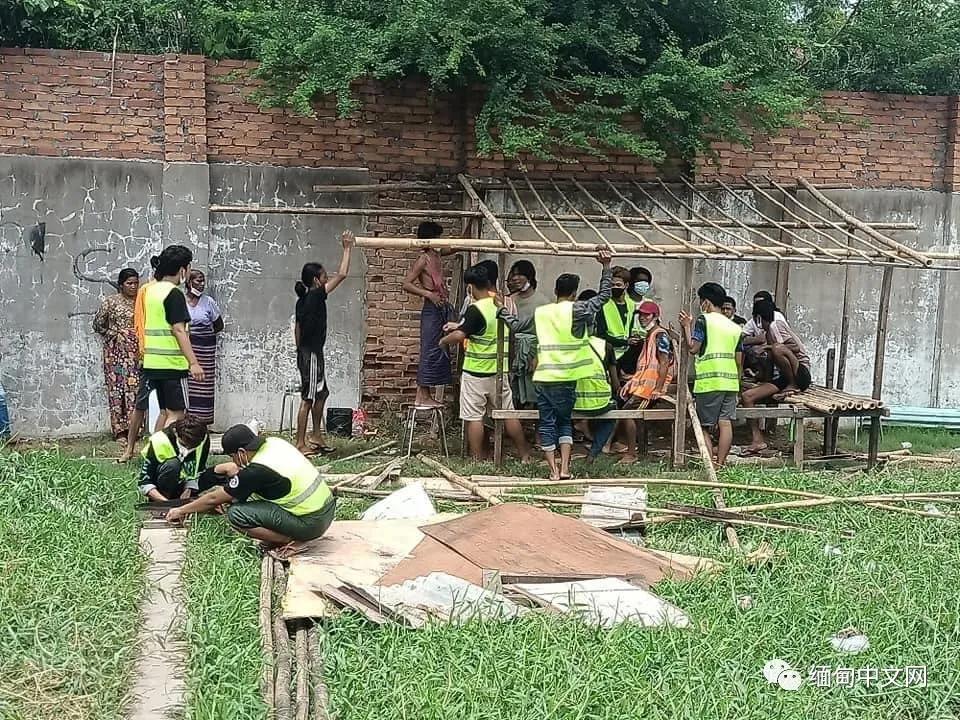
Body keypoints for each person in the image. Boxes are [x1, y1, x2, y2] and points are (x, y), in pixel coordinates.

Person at [499, 248, 613, 480]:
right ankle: (565, 469)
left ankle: (552, 471)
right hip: (567, 379)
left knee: (547, 423)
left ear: (555, 291)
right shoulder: (578, 309)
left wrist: (501, 310)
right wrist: (606, 267)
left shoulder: (542, 313)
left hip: (543, 378)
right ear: (574, 293)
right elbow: (603, 297)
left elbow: (517, 326)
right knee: (564, 423)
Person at [166, 424, 337, 553]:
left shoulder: (256, 471)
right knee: (238, 499)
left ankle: (288, 540)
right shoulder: (274, 443)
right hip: (327, 510)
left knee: (236, 514)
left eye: (233, 457)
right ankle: (289, 535)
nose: (234, 461)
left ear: (241, 452)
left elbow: (213, 499)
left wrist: (181, 510)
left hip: (311, 524)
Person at [439, 264, 530, 461]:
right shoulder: (501, 305)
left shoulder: (476, 309)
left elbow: (460, 334)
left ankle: (476, 458)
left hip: (476, 371)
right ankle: (524, 455)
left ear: (471, 287)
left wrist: (444, 341)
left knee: (474, 417)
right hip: (499, 370)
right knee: (508, 414)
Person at [294, 230, 355, 456]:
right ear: (316, 280)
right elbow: (343, 274)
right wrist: (347, 248)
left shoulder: (305, 299)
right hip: (310, 354)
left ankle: (316, 436)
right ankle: (300, 443)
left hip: (311, 352)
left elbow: (297, 328)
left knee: (322, 393)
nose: (327, 277)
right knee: (308, 398)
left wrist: (299, 350)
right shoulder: (315, 296)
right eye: (323, 275)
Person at [134, 245, 204, 437]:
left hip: (152, 363)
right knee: (177, 414)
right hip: (172, 365)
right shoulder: (173, 294)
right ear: (183, 269)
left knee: (165, 412)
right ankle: (164, 454)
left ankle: (154, 451)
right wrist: (194, 363)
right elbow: (179, 329)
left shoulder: (150, 291)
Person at [679, 282, 743, 467]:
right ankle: (721, 463)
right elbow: (739, 361)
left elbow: (693, 347)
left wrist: (686, 326)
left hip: (709, 382)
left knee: (703, 426)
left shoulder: (703, 320)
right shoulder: (734, 327)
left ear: (706, 302)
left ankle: (709, 464)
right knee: (725, 423)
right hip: (730, 383)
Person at [402, 221, 453, 408]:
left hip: (441, 307)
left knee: (439, 349)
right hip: (431, 309)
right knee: (429, 349)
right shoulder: (423, 259)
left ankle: (425, 394)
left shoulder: (437, 254)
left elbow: (457, 246)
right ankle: (422, 395)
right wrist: (428, 294)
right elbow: (406, 283)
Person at [93, 268, 141, 446]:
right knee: (116, 390)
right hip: (115, 352)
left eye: (136, 283)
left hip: (135, 352)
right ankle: (120, 430)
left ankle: (135, 429)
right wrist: (116, 333)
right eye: (129, 283)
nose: (133, 287)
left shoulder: (140, 302)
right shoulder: (111, 302)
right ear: (121, 285)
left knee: (134, 390)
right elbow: (98, 324)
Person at [138, 415, 211, 502]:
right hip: (160, 488)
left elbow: (199, 469)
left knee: (219, 472)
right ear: (176, 433)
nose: (187, 449)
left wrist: (189, 489)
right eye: (184, 444)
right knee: (173, 465)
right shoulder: (159, 441)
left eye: (193, 446)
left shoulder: (202, 438)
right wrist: (166, 503)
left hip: (183, 485)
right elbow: (144, 482)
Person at [185, 270, 224, 425]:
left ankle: (202, 424)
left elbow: (219, 324)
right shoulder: (181, 301)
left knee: (204, 387)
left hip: (205, 351)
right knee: (188, 386)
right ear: (189, 282)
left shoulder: (208, 302)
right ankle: (187, 423)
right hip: (187, 348)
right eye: (197, 281)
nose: (201, 284)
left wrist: (204, 336)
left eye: (203, 281)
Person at [620, 301, 675, 408]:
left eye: (646, 315)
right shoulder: (649, 336)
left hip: (650, 391)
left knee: (627, 414)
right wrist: (631, 382)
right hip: (644, 389)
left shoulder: (660, 335)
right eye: (640, 314)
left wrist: (658, 389)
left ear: (655, 317)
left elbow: (664, 363)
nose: (642, 317)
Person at [574, 334, 618, 462]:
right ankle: (594, 452)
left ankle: (560, 453)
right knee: (612, 416)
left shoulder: (569, 345)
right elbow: (615, 383)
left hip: (574, 403)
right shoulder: (606, 346)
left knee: (561, 418)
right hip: (601, 403)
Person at [506, 260, 539, 408]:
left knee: (534, 391)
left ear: (529, 277)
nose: (515, 278)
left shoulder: (542, 301)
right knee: (513, 389)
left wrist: (538, 356)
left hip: (533, 351)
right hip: (512, 349)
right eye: (513, 275)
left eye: (519, 275)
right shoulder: (509, 301)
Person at [595, 266, 635, 360]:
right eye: (612, 285)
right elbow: (601, 335)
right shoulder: (603, 305)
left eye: (618, 285)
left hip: (627, 353)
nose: (614, 288)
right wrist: (625, 342)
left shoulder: (631, 305)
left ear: (626, 285)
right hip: (608, 354)